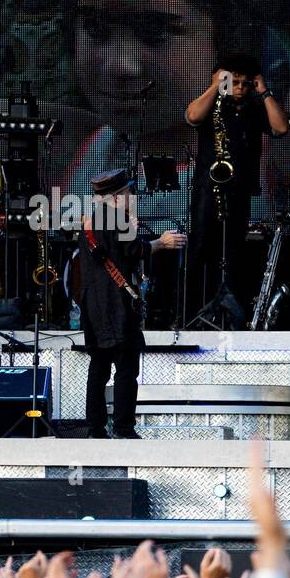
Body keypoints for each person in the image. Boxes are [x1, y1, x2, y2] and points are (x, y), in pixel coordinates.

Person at [76, 168, 184, 439]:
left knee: (99, 368)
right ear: (115, 197)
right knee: (126, 368)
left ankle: (96, 429)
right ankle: (124, 428)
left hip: (93, 305)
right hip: (116, 304)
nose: (131, 197)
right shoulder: (116, 219)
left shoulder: (89, 223)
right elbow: (137, 251)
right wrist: (163, 242)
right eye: (127, 193)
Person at [184, 52, 288, 326]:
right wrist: (215, 85)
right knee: (201, 247)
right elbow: (192, 116)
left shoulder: (255, 107)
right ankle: (191, 311)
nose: (240, 89)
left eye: (245, 83)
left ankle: (230, 309)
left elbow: (281, 128)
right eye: (235, 82)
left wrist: (264, 92)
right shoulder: (214, 104)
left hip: (240, 189)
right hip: (208, 188)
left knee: (234, 252)